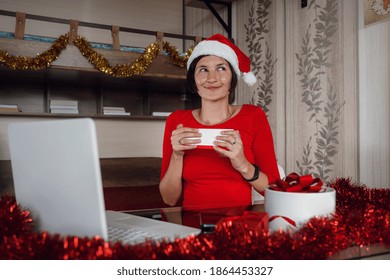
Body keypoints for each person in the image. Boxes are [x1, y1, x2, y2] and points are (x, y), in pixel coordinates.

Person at [159, 34, 280, 210]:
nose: (212, 78)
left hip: (240, 228)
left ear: (233, 78)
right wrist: (177, 156)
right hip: (193, 226)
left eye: (221, 68)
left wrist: (243, 165)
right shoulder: (177, 120)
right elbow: (169, 199)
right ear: (194, 80)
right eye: (203, 69)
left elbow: (275, 190)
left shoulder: (253, 116)